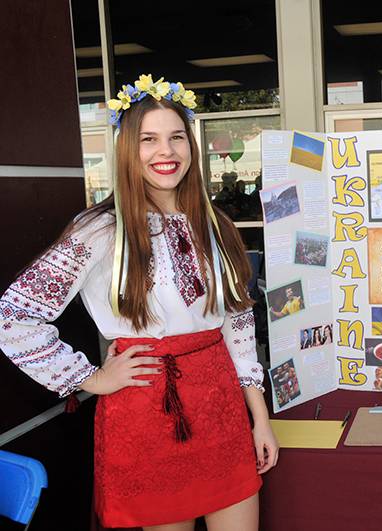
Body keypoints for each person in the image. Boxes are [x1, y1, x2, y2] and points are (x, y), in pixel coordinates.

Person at [0, 74, 278, 530]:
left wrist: (259, 418)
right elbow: (14, 316)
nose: (165, 152)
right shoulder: (100, 230)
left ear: (191, 145)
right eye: (149, 139)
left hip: (221, 404)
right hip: (146, 405)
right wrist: (90, 378)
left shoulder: (215, 223)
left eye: (175, 137)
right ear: (128, 150)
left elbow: (238, 322)